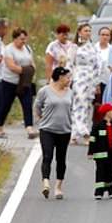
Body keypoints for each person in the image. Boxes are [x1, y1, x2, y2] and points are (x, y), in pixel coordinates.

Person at [34, 67, 74, 199]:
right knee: (47, 156)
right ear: (60, 77)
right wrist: (41, 119)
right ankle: (45, 182)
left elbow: (71, 108)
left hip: (64, 130)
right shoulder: (45, 91)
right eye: (67, 77)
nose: (69, 80)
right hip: (47, 130)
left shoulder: (70, 92)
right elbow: (38, 106)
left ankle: (58, 186)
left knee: (61, 159)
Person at [0, 29, 32, 138]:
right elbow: (11, 66)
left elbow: (31, 62)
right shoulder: (8, 50)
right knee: (5, 105)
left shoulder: (28, 49)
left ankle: (29, 127)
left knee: (27, 104)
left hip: (24, 82)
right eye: (21, 39)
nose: (23, 41)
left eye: (25, 39)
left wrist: (30, 70)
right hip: (9, 82)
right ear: (15, 39)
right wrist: (26, 70)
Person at [69, 23, 101, 143]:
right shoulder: (74, 47)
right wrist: (69, 80)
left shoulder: (93, 47)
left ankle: (74, 134)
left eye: (89, 31)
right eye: (85, 30)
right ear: (80, 32)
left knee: (87, 106)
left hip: (90, 78)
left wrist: (96, 82)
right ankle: (84, 132)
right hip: (79, 77)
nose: (88, 33)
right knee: (79, 103)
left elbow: (98, 65)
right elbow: (70, 63)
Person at [88, 103, 112, 199]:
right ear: (107, 113)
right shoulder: (98, 126)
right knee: (100, 173)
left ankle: (109, 188)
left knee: (111, 172)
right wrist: (90, 152)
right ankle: (99, 191)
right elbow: (93, 140)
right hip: (100, 155)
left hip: (111, 155)